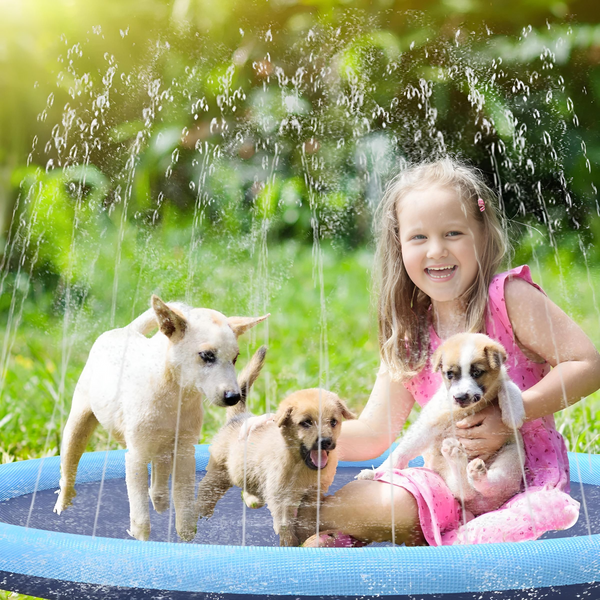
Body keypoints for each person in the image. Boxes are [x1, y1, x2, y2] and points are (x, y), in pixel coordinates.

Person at [244, 158, 600, 547]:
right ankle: (318, 522)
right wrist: (297, 432)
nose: (436, 251)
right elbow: (376, 434)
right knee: (392, 497)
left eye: (453, 233)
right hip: (446, 480)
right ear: (398, 245)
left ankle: (428, 536)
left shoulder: (507, 299)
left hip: (523, 477)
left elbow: (587, 363)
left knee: (524, 518)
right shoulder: (409, 333)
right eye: (418, 238)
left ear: (483, 234)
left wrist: (512, 413)